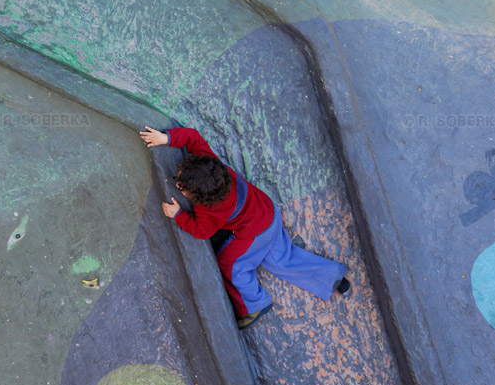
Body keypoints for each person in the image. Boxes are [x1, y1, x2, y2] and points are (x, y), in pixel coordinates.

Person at [139, 125, 351, 330]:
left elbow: (201, 231)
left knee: (231, 264)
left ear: (200, 199)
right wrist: (165, 138)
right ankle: (333, 278)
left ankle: (254, 304)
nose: (178, 183)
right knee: (283, 258)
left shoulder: (210, 210)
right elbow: (193, 137)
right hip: (267, 211)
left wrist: (179, 215)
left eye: (181, 186)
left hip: (254, 233)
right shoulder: (210, 164)